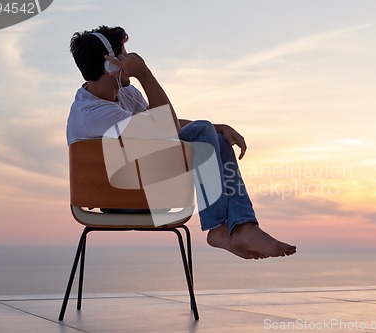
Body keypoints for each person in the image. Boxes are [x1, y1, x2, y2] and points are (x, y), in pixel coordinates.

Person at [67, 26, 296, 260]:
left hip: (140, 186)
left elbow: (164, 122)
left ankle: (243, 227)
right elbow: (167, 127)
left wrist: (220, 127)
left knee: (215, 137)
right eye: (124, 52)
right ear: (111, 63)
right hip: (120, 198)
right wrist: (144, 73)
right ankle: (220, 228)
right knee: (203, 132)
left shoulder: (125, 94)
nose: (131, 57)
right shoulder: (92, 114)